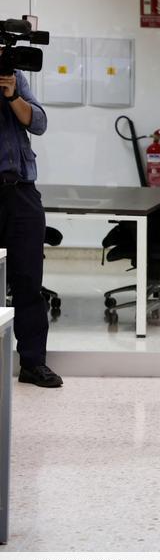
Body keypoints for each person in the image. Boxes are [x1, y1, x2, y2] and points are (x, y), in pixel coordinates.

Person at [0, 58, 60, 388]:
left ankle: (33, 363)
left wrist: (12, 96)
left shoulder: (14, 77)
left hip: (19, 190)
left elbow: (38, 122)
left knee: (28, 282)